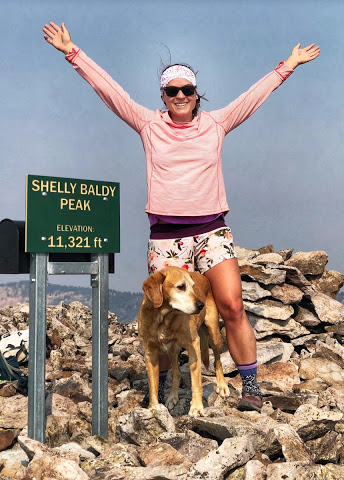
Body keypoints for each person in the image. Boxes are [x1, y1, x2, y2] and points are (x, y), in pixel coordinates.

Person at [43, 21, 320, 412]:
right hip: (166, 238)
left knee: (232, 306)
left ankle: (251, 387)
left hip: (212, 231)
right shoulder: (149, 124)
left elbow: (253, 97)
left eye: (186, 90)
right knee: (163, 315)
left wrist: (288, 64)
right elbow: (110, 91)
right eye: (171, 90)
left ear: (196, 94)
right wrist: (72, 52)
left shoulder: (216, 124)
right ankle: (170, 391)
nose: (179, 96)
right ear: (163, 95)